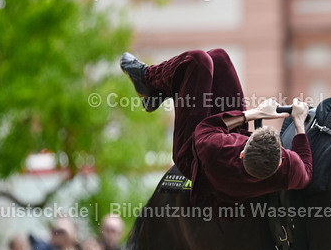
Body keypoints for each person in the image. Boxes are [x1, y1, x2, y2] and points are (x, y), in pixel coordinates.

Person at [121, 48, 312, 206]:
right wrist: (299, 124)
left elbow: (205, 128)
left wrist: (258, 113)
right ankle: (158, 93)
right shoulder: (288, 168)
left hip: (193, 153)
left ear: (242, 153)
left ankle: (147, 80)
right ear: (279, 162)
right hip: (221, 142)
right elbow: (306, 172)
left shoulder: (215, 147)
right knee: (219, 58)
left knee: (198, 61)